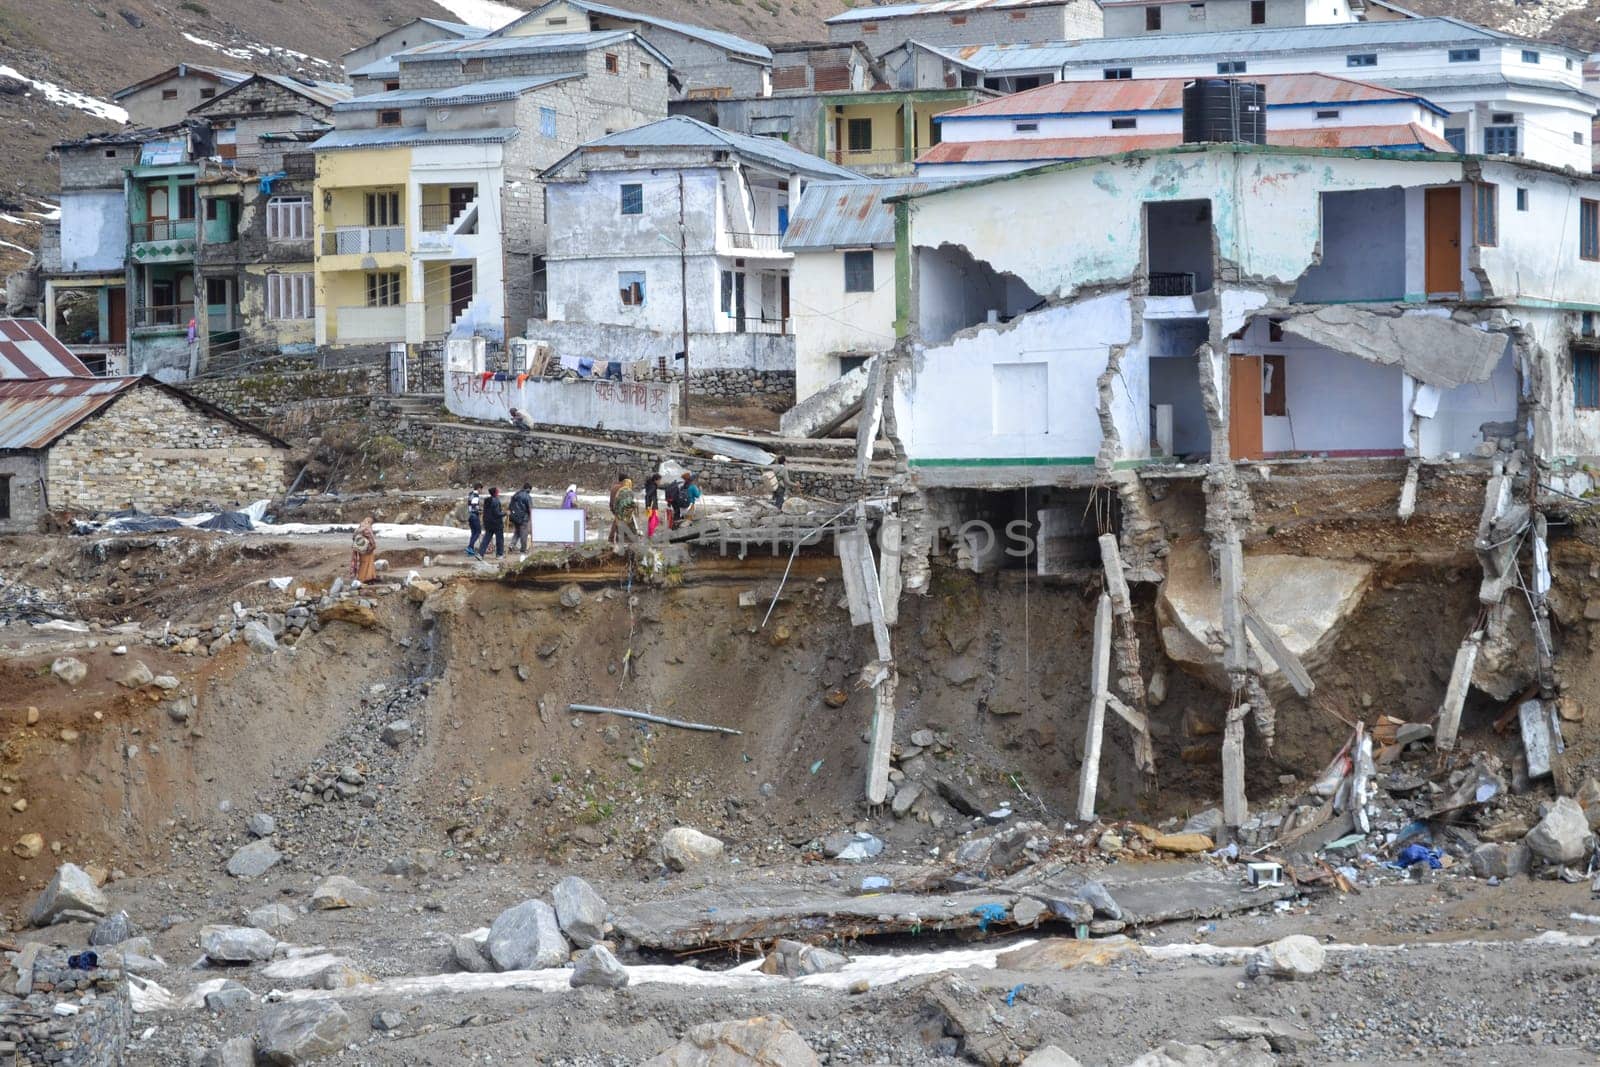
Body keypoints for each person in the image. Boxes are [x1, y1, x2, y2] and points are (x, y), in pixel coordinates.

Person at [480, 487, 505, 559]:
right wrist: (505, 513)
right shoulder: (496, 501)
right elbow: (497, 513)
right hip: (497, 523)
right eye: (498, 491)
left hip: (488, 523)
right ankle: (499, 554)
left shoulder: (487, 500)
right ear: (495, 493)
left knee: (486, 539)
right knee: (499, 539)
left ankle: (480, 554)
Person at [351, 516, 378, 583]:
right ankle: (366, 578)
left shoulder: (359, 528)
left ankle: (366, 578)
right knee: (367, 563)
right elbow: (371, 538)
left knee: (363, 563)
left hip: (360, 549)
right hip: (368, 549)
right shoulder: (367, 528)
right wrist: (373, 546)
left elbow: (354, 537)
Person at [509, 483, 533, 553]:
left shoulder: (516, 494)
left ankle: (512, 545)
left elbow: (510, 505)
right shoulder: (527, 496)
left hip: (514, 517)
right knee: (524, 534)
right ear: (528, 489)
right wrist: (531, 518)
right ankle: (523, 549)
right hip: (523, 518)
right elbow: (530, 508)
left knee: (517, 532)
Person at [466, 483, 483, 558]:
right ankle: (469, 547)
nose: (481, 491)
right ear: (479, 488)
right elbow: (474, 505)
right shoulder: (476, 495)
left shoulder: (470, 494)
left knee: (473, 533)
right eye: (481, 489)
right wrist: (479, 510)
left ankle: (471, 550)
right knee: (478, 531)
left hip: (469, 515)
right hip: (474, 515)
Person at [643, 472, 662, 538]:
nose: (660, 482)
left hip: (650, 505)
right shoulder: (653, 486)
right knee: (654, 519)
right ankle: (651, 534)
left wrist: (647, 505)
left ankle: (650, 533)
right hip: (652, 505)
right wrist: (648, 505)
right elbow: (648, 495)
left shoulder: (650, 485)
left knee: (651, 519)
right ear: (656, 480)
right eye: (659, 480)